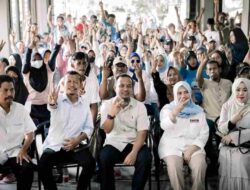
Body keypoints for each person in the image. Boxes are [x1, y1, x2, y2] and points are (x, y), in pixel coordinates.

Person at [38, 71, 95, 190]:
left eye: (75, 82)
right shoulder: (57, 99)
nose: (72, 84)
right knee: (43, 165)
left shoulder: (84, 103)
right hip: (55, 146)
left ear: (81, 85)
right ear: (63, 84)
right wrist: (52, 102)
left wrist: (76, 140)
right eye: (69, 81)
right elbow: (52, 105)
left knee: (90, 164)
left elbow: (89, 127)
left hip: (75, 146)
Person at [99, 74, 152, 190]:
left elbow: (142, 132)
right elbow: (107, 130)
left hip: (134, 142)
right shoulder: (107, 105)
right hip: (113, 143)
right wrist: (111, 115)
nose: (125, 89)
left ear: (132, 89)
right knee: (104, 158)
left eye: (129, 86)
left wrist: (134, 152)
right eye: (121, 86)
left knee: (146, 158)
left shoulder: (140, 106)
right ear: (115, 88)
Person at [158, 81, 209, 190]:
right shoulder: (168, 109)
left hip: (193, 146)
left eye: (186, 92)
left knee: (200, 165)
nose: (183, 96)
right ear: (175, 94)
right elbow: (163, 126)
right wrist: (175, 112)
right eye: (179, 93)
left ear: (190, 93)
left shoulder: (198, 111)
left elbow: (204, 132)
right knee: (174, 167)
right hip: (171, 146)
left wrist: (192, 148)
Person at [0, 75, 36, 190]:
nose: (10, 94)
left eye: (12, 90)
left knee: (27, 168)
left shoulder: (20, 109)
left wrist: (24, 149)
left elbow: (30, 134)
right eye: (5, 90)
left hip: (16, 151)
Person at [217, 78, 250, 190]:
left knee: (241, 160)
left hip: (246, 147)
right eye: (238, 90)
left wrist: (234, 136)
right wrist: (232, 122)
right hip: (227, 146)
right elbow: (220, 130)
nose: (241, 93)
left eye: (245, 90)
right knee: (225, 158)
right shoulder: (227, 106)